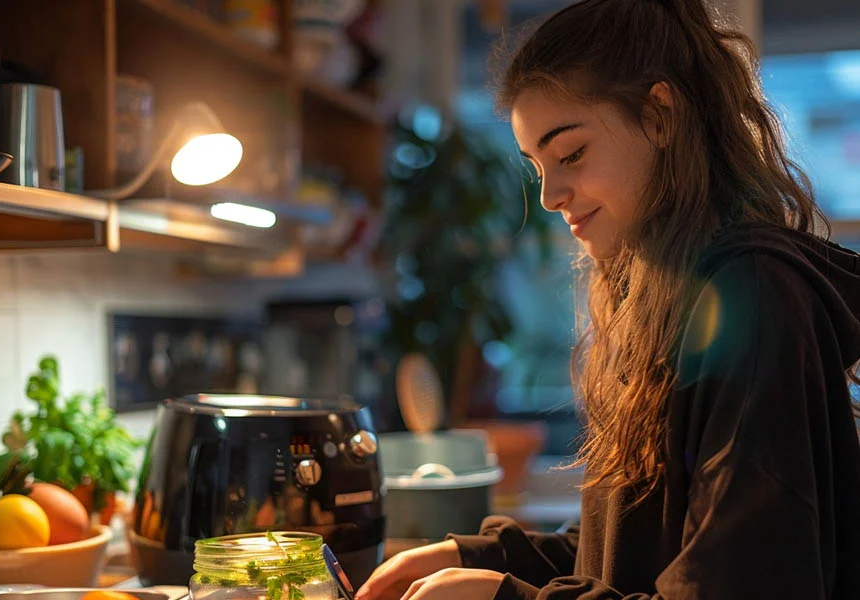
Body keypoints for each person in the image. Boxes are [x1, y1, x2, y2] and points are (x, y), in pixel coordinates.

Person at [356, 0, 860, 598]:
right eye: (538, 165)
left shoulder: (749, 296)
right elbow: (632, 548)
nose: (549, 196)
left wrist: (506, 597)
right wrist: (481, 554)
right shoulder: (672, 291)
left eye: (570, 153)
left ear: (660, 116)